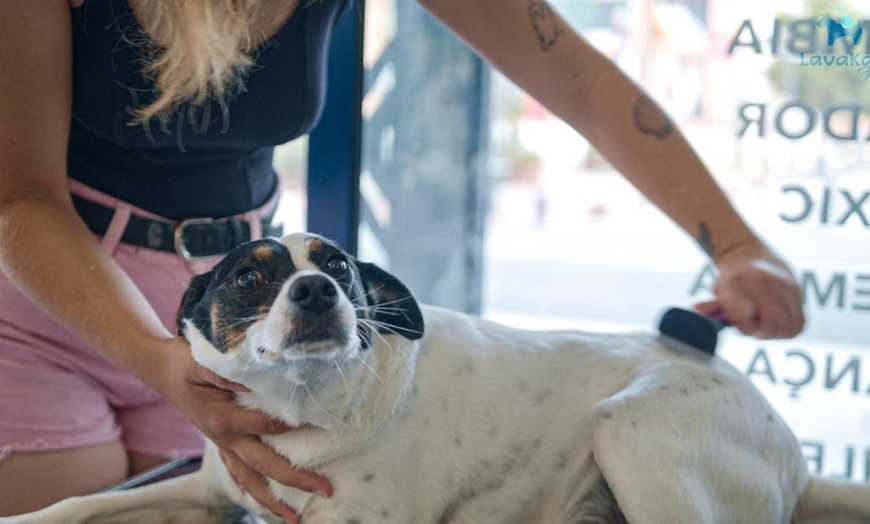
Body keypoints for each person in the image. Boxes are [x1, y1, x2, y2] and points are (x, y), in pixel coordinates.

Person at [0, 0, 804, 521]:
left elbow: (579, 84)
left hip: (241, 310)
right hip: (54, 295)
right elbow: (21, 198)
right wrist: (157, 362)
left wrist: (736, 244)